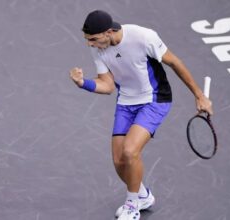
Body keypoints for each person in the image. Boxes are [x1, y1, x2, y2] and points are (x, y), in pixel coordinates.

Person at [69, 10, 213, 220]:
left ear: (109, 32)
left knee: (130, 151)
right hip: (126, 102)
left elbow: (174, 62)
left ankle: (132, 205)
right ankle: (143, 195)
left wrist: (199, 95)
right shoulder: (99, 48)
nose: (89, 44)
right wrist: (83, 83)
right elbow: (108, 86)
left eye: (93, 39)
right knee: (119, 162)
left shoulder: (143, 37)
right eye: (87, 39)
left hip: (154, 99)